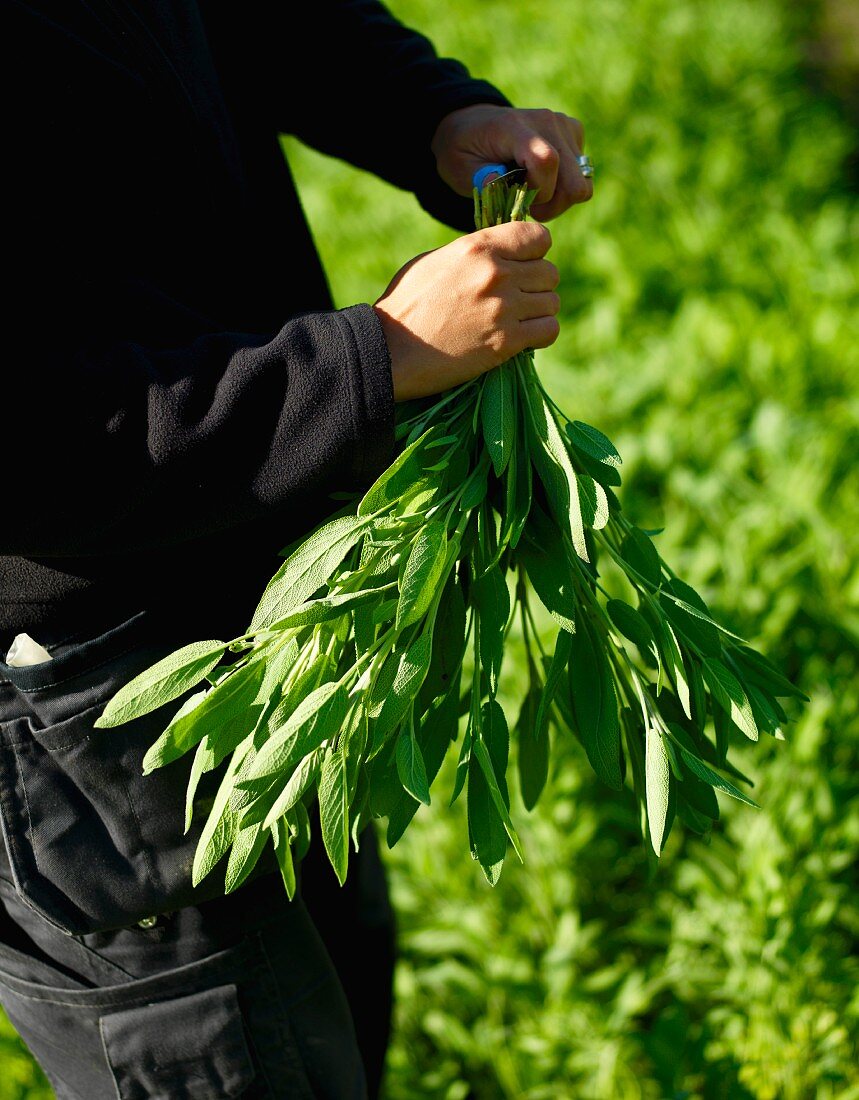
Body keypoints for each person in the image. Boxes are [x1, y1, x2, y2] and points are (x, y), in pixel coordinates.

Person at [0, 2, 592, 1096]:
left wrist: (430, 114)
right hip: (90, 692)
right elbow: (32, 452)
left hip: (266, 590)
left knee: (334, 1013)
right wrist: (375, 358)